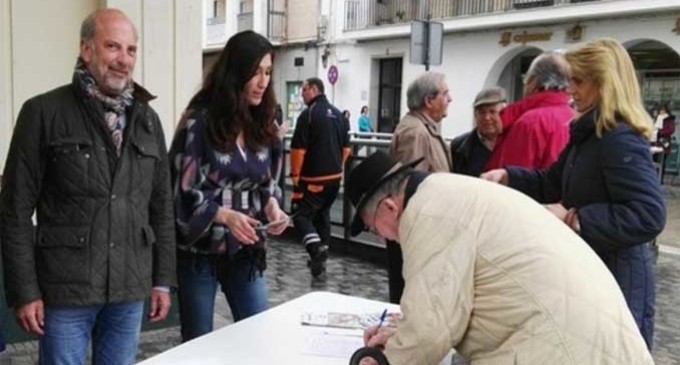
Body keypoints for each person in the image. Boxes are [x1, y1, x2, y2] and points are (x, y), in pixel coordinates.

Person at [346, 151, 654, 365]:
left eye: (375, 228)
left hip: (563, 347)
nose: (383, 237)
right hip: (589, 338)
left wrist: (385, 359)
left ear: (389, 207)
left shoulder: (427, 214)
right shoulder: (446, 192)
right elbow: (445, 305)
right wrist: (402, 335)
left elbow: (431, 326)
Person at [0, 9, 176, 365]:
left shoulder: (147, 120)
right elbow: (14, 209)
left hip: (129, 287)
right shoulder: (43, 112)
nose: (123, 60)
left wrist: (162, 280)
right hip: (66, 289)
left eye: (131, 50)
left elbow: (161, 208)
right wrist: (24, 291)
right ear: (86, 49)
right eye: (112, 46)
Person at [481, 38, 666, 349]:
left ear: (604, 83)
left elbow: (649, 215)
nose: (570, 90)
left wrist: (575, 218)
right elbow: (552, 182)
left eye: (578, 81)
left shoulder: (618, 138)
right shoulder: (589, 135)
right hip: (596, 275)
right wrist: (508, 176)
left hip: (618, 283)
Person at [169, 30, 287, 342]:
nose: (263, 82)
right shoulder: (198, 123)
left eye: (268, 72)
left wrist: (273, 206)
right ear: (236, 73)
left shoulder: (265, 124)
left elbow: (270, 183)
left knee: (258, 336)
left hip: (247, 249)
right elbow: (180, 192)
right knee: (198, 344)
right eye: (255, 72)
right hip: (198, 251)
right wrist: (223, 215)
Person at [385, 72, 452, 304]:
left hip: (423, 231)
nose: (450, 99)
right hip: (416, 235)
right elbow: (408, 188)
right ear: (428, 100)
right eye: (445, 93)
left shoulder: (423, 128)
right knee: (411, 298)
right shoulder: (415, 132)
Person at [290, 77, 350, 281]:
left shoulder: (309, 115)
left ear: (314, 89)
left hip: (313, 178)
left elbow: (298, 149)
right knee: (323, 213)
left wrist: (296, 176)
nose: (302, 93)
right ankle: (320, 259)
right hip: (335, 179)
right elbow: (347, 148)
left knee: (300, 215)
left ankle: (316, 249)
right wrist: (336, 165)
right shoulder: (339, 115)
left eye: (304, 89)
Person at [484, 51, 573, 170]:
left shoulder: (530, 122)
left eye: (525, 80)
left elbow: (513, 177)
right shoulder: (573, 115)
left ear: (532, 81)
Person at [450, 87, 506, 176]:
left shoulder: (517, 143)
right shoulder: (458, 147)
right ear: (475, 115)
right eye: (482, 112)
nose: (487, 118)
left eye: (492, 112)